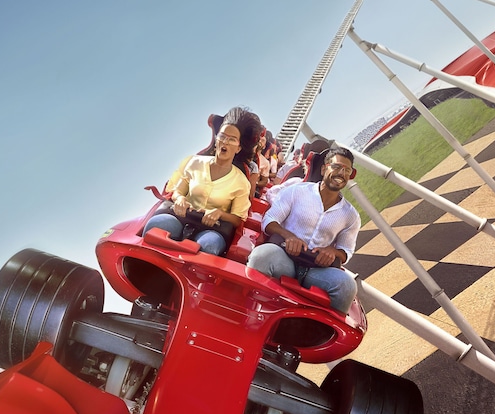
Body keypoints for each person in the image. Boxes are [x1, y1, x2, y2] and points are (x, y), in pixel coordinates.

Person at [247, 146, 361, 313]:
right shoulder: (297, 191)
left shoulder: (351, 215)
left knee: (347, 286)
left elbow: (346, 251)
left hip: (316, 270)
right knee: (261, 256)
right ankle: (253, 312)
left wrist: (332, 252)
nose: (341, 173)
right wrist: (288, 236)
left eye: (347, 170)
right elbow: (269, 221)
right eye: (336, 167)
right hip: (284, 258)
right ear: (324, 169)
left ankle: (316, 329)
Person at [142, 108, 257, 255]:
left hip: (212, 228)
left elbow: (237, 219)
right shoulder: (195, 162)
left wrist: (219, 213)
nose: (225, 142)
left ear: (238, 148)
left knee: (209, 246)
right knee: (156, 225)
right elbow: (177, 191)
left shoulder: (241, 181)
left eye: (232, 139)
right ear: (216, 139)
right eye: (222, 136)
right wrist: (180, 199)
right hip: (181, 216)